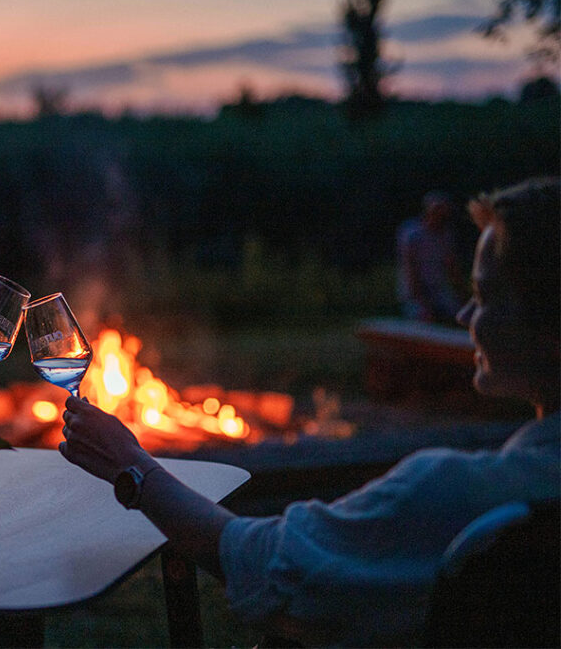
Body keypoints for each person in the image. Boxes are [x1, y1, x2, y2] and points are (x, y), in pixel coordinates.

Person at [59, 177, 559, 646]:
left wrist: (132, 465)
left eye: (486, 297)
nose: (464, 315)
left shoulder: (459, 494)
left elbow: (259, 561)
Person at [396, 190, 464, 323]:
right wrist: (422, 301)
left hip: (438, 289)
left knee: (459, 314)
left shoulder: (446, 236)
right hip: (414, 293)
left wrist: (463, 296)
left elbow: (452, 267)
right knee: (423, 316)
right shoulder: (411, 233)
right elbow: (410, 269)